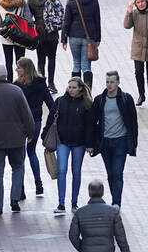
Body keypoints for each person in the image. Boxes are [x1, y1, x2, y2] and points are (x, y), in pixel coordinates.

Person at [0, 64, 34, 214]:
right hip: (16, 138)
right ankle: (15, 199)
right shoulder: (16, 91)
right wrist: (30, 132)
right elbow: (26, 115)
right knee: (18, 167)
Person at [42, 76, 93, 212]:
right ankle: (61, 203)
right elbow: (50, 119)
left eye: (74, 87)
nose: (71, 90)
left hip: (79, 143)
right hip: (62, 141)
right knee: (62, 170)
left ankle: (74, 202)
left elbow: (90, 126)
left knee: (76, 171)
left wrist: (89, 143)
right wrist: (45, 135)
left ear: (80, 88)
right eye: (69, 87)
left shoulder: (86, 104)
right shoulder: (60, 101)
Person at [91, 71, 138, 207]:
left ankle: (116, 203)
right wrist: (92, 142)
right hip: (105, 141)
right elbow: (92, 122)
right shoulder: (100, 99)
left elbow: (133, 122)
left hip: (121, 141)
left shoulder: (126, 99)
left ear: (118, 82)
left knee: (118, 173)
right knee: (110, 174)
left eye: (112, 82)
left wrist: (134, 142)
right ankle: (115, 198)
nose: (109, 85)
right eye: (107, 82)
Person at [14, 57, 53, 197]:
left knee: (21, 154)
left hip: (21, 124)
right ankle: (38, 184)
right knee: (32, 152)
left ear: (25, 69)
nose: (16, 70)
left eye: (18, 67)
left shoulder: (18, 85)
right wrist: (52, 121)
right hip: (36, 122)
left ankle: (21, 188)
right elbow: (50, 103)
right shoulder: (41, 83)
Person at [61, 0, 101, 89]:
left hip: (74, 36)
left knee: (76, 64)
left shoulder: (72, 0)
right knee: (86, 66)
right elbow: (97, 19)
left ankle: (75, 91)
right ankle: (88, 92)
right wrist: (98, 38)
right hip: (89, 36)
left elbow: (67, 21)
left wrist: (63, 38)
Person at [68, 180, 131, 251]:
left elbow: (73, 236)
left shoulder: (80, 212)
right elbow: (121, 237)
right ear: (103, 193)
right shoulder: (113, 212)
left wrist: (82, 248)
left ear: (89, 193)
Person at [27, 0, 61, 92]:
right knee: (52, 58)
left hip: (40, 31)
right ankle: (51, 83)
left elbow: (29, 17)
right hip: (52, 32)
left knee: (41, 59)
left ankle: (41, 82)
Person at [0, 0, 30, 81]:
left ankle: (9, 81)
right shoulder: (22, 2)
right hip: (20, 37)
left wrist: (3, 30)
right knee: (21, 63)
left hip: (6, 37)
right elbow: (29, 19)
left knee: (8, 62)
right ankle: (21, 81)